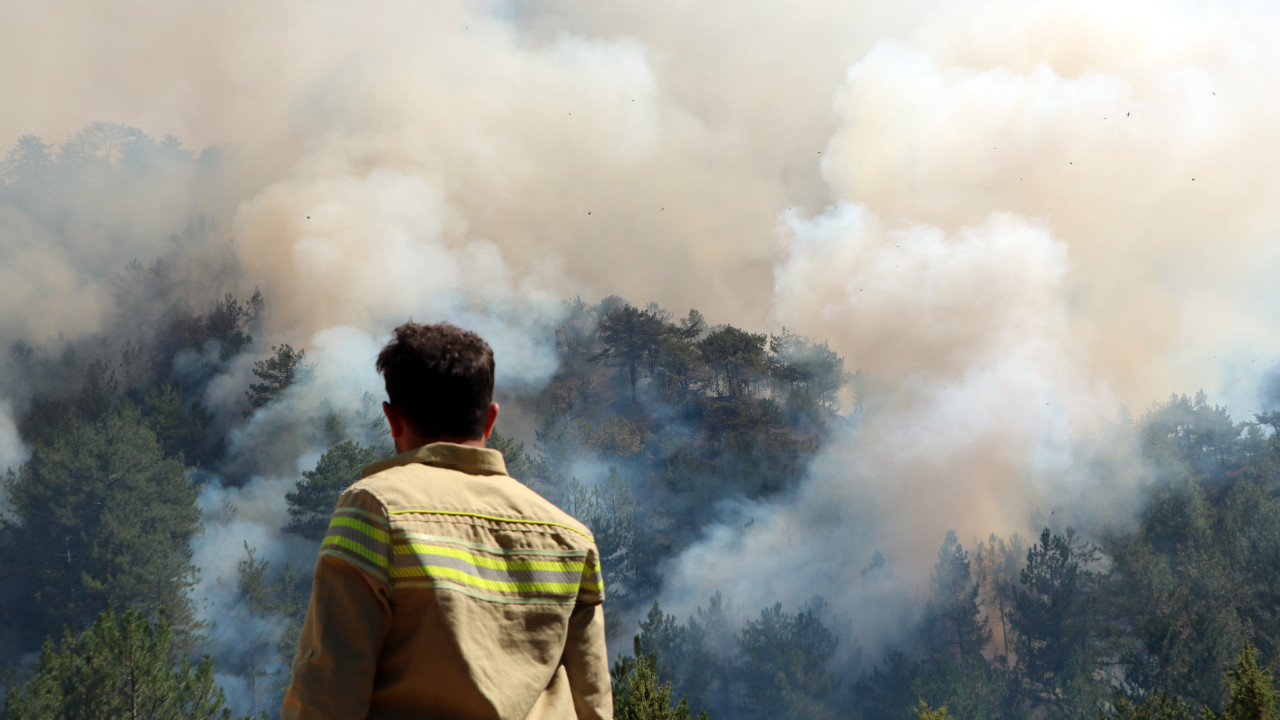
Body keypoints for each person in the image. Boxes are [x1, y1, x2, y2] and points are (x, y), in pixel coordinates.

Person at [282, 322, 612, 719]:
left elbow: (328, 694)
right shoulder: (572, 539)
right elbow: (593, 702)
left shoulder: (374, 510)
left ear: (392, 418)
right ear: (490, 419)